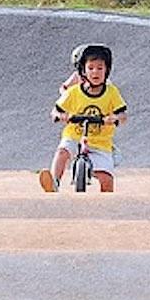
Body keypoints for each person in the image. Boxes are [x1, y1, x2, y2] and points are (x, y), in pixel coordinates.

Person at [39, 44, 127, 193]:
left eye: (100, 68)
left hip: (100, 141)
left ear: (107, 70)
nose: (95, 72)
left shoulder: (111, 92)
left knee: (107, 179)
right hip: (75, 134)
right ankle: (54, 182)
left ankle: (106, 203)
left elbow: (123, 114)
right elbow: (56, 111)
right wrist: (61, 116)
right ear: (83, 71)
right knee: (63, 151)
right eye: (91, 68)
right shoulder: (74, 92)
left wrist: (114, 118)